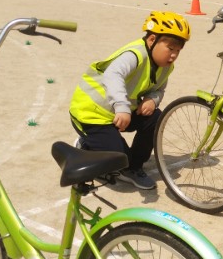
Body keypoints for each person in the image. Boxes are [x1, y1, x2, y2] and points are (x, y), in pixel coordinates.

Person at [69, 10, 192, 190]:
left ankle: (133, 167)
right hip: (90, 115)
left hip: (118, 115)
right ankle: (87, 146)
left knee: (155, 117)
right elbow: (113, 74)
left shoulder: (165, 67)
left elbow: (159, 89)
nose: (173, 55)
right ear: (152, 40)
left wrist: (152, 99)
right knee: (118, 160)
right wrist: (122, 107)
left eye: (178, 51)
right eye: (170, 48)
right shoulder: (135, 54)